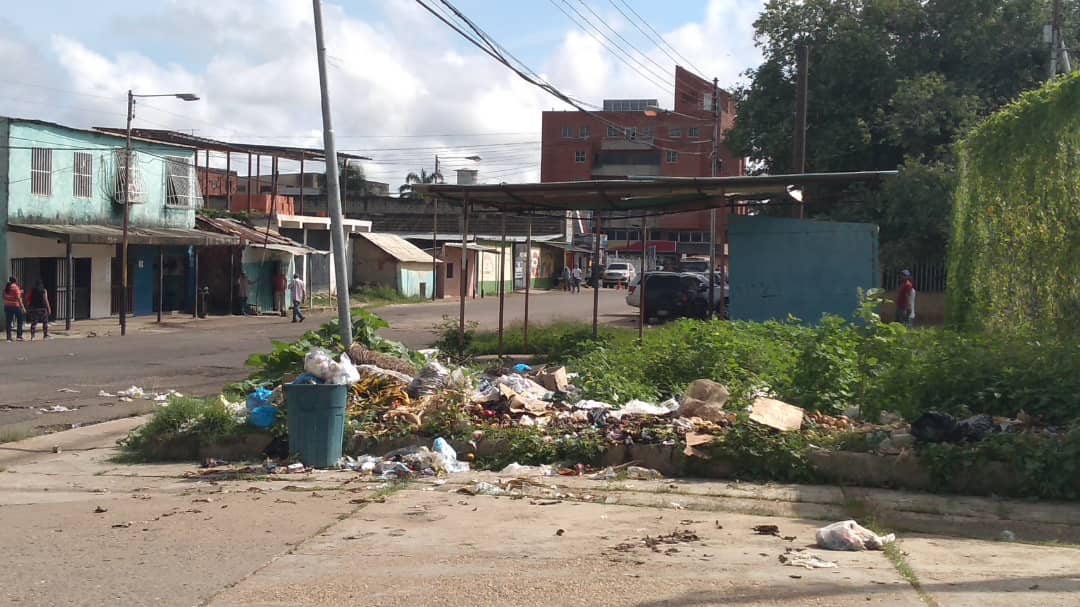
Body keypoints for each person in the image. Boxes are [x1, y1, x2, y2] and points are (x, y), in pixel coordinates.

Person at [4, 276, 26, 342]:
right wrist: (23, 307)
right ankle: (19, 336)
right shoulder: (16, 287)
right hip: (16, 306)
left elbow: (4, 296)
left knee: (8, 322)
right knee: (20, 320)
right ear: (15, 281)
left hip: (7, 306)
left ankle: (9, 337)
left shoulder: (6, 287)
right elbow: (19, 298)